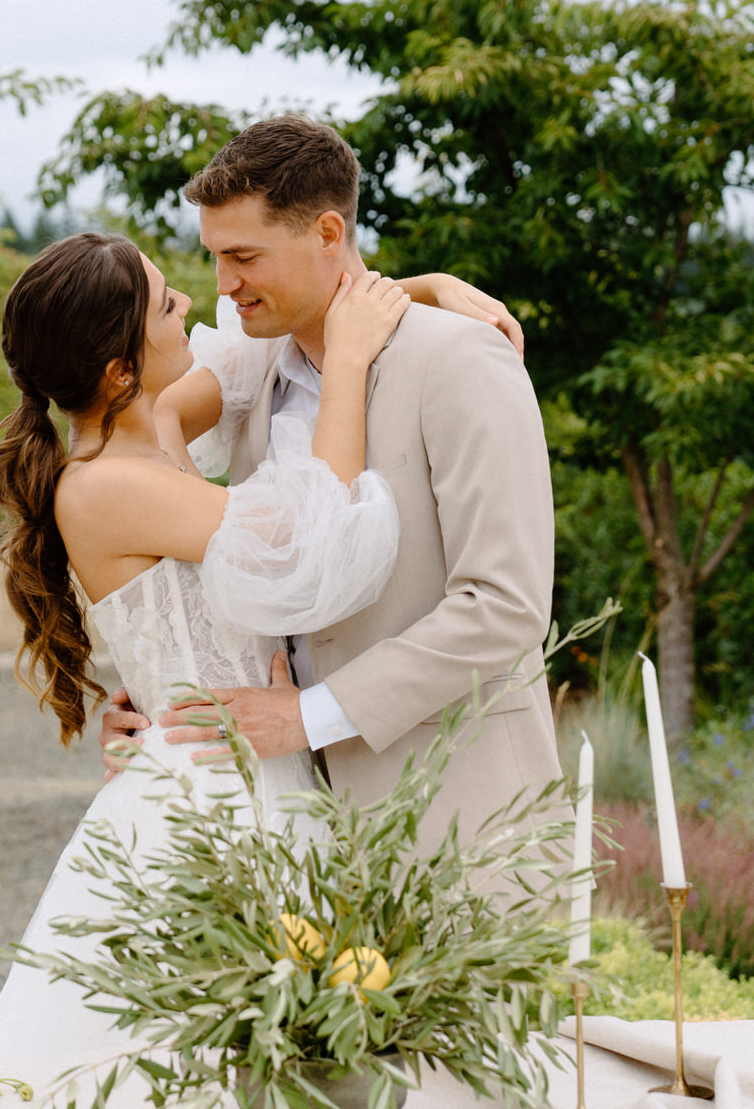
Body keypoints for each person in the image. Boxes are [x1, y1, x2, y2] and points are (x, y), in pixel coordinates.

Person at [0, 228, 495, 1099]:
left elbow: (267, 341)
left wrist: (420, 285)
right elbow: (316, 549)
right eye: (165, 301)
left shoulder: (164, 422)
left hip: (262, 767)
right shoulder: (105, 483)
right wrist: (356, 364)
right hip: (210, 795)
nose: (191, 305)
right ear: (115, 371)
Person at [101, 115, 563, 864]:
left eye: (243, 256)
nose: (224, 286)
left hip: (462, 821)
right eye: (215, 258)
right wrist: (157, 707)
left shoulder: (460, 360)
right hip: (299, 836)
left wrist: (309, 717)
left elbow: (505, 606)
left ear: (325, 232)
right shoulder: (254, 385)